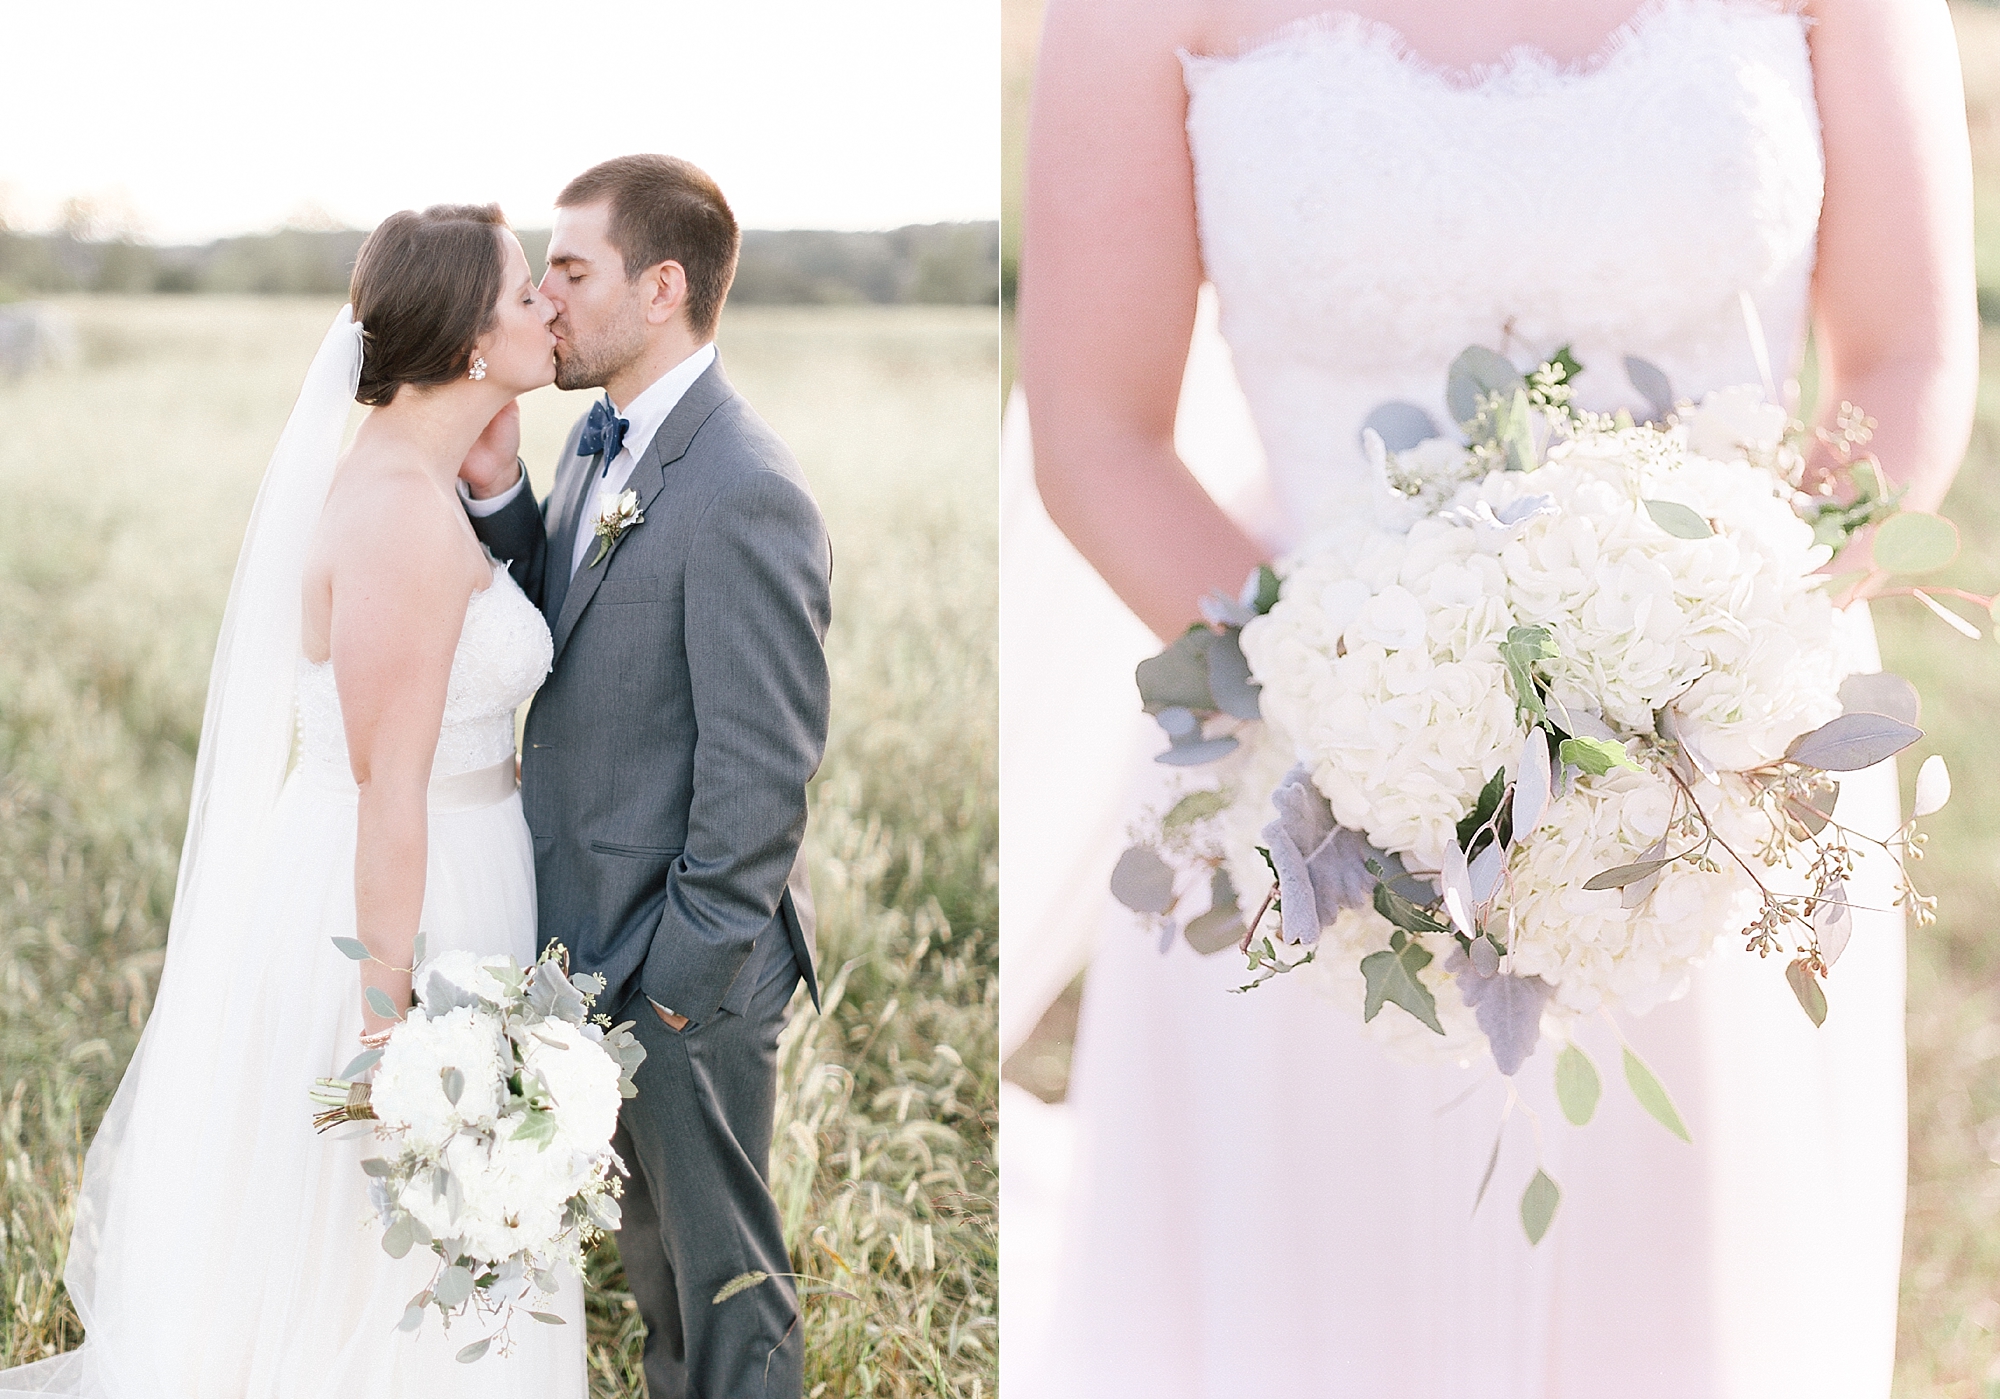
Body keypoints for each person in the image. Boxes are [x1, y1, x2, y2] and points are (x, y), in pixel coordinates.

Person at [1004, 0, 1979, 1394]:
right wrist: (1362, 714)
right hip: (1310, 795)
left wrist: (1710, 690)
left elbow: (1908, 359)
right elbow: (1098, 436)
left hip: (1717, 791)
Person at [0, 204, 583, 1396]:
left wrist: (492, 462)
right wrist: (390, 1029)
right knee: (377, 1242)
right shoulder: (397, 519)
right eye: (527, 291)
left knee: (412, 1251)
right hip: (401, 903)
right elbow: (386, 790)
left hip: (452, 866)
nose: (548, 309)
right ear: (471, 338)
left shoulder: (423, 481)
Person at [457, 153, 832, 1399]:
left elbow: (761, 775)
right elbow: (567, 616)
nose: (546, 296)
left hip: (689, 968)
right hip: (593, 942)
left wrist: (672, 990)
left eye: (570, 268)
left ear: (661, 285)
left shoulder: (744, 491)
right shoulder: (594, 441)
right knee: (655, 1267)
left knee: (725, 1284)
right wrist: (504, 485)